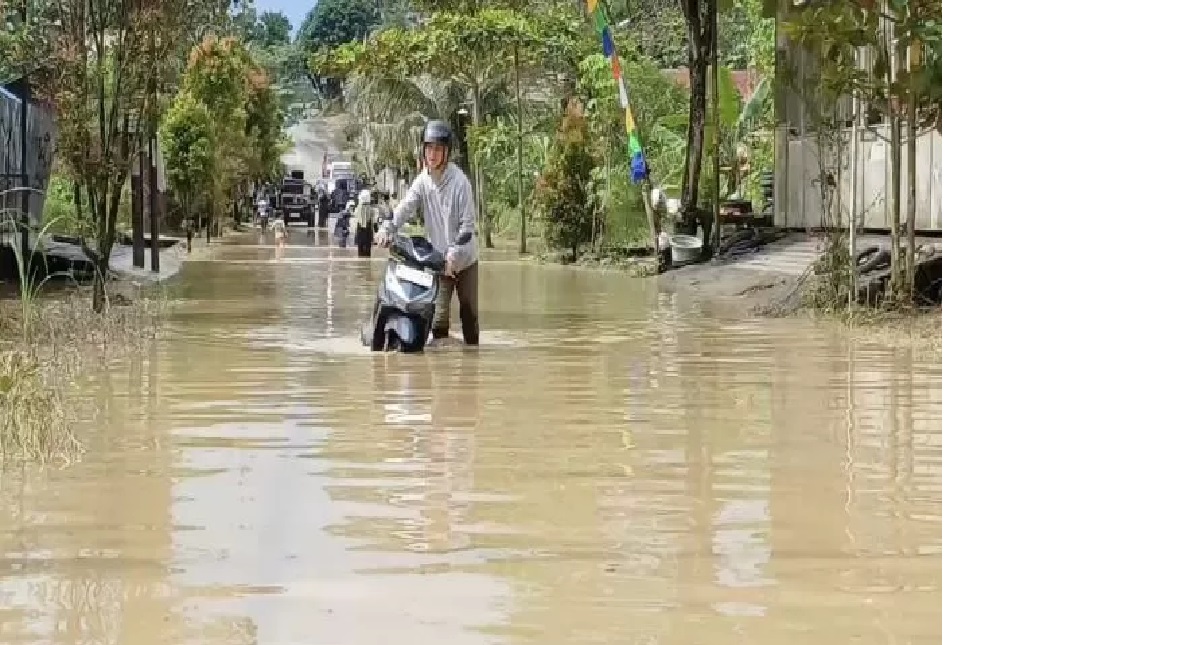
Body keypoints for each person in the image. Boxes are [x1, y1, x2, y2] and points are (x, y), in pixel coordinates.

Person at [377, 120, 479, 346]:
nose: (432, 154)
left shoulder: (460, 183)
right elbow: (405, 206)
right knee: (438, 321)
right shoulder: (423, 179)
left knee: (469, 316)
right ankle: (441, 370)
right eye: (429, 148)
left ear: (447, 153)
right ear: (423, 151)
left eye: (438, 149)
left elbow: (467, 226)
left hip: (464, 259)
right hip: (439, 261)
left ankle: (472, 365)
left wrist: (454, 254)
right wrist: (387, 228)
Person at [353, 188, 375, 257]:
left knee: (361, 245)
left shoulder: (359, 207)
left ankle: (361, 256)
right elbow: (373, 216)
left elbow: (355, 215)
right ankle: (366, 257)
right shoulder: (370, 207)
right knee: (367, 245)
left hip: (361, 227)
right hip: (367, 227)